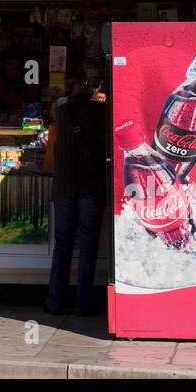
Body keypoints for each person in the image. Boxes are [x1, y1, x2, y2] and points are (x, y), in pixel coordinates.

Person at [46, 71, 108, 316]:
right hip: (90, 187)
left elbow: (57, 105)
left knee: (63, 244)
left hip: (63, 187)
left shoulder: (61, 110)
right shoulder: (102, 112)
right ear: (95, 90)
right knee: (88, 245)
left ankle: (55, 302)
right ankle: (84, 303)